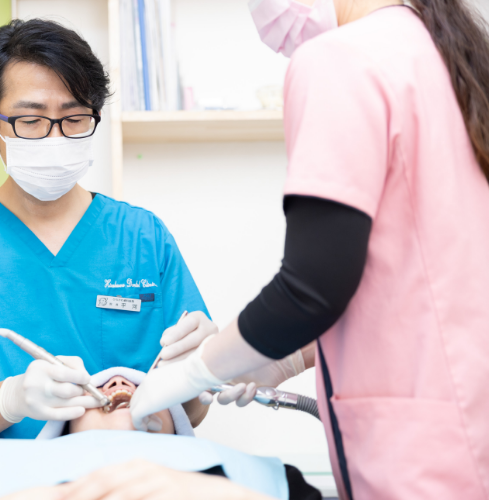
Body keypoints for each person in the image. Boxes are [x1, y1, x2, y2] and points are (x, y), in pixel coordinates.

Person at [128, 0, 489, 499]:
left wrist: (197, 370)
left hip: (423, 454)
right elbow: (418, 291)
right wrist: (283, 360)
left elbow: (312, 286)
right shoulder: (440, 55)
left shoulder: (341, 58)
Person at [0, 18, 210, 473]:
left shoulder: (142, 237)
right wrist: (12, 398)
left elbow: (191, 415)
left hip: (124, 484)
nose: (56, 138)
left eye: (74, 119)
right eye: (32, 121)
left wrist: (199, 377)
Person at [0, 368, 321, 500]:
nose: (119, 385)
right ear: (63, 430)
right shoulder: (2, 469)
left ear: (177, 426)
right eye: (101, 386)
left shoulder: (249, 476)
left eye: (140, 386)